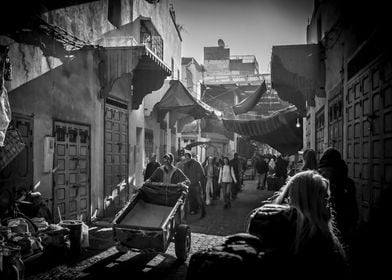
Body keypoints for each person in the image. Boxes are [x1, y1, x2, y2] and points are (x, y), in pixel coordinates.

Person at [248, 170, 350, 280]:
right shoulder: (318, 242)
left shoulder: (269, 226)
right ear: (311, 203)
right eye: (325, 198)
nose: (329, 204)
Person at [318, 147, 358, 256]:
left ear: (334, 169)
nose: (322, 174)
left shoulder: (347, 184)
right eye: (321, 171)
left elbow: (353, 211)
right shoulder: (322, 184)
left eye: (325, 171)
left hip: (342, 228)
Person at [183, 152, 206, 218]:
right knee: (190, 198)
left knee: (199, 199)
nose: (187, 159)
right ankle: (192, 210)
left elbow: (201, 174)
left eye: (187, 157)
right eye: (186, 158)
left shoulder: (196, 163)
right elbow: (184, 174)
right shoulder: (185, 165)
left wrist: (196, 180)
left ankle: (203, 212)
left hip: (196, 184)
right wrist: (186, 181)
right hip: (189, 185)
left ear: (190, 157)